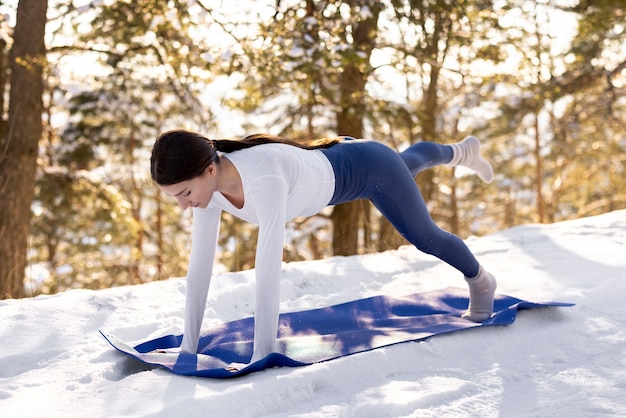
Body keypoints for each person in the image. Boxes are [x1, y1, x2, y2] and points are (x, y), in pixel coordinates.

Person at [150, 131, 497, 369]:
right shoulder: (207, 191)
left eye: (184, 194)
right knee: (408, 161)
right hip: (348, 154)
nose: (183, 206)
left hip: (370, 168)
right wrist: (188, 347)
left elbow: (268, 270)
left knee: (425, 235)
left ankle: (481, 280)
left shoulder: (263, 180)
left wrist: (263, 354)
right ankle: (463, 151)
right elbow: (199, 268)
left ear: (209, 170)